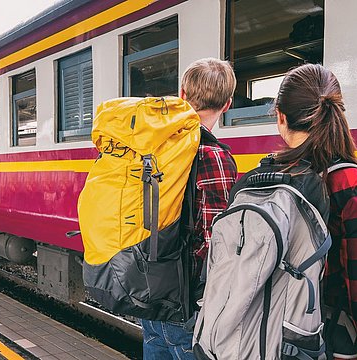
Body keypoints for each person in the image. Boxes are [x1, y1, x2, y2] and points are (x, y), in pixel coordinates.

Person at [273, 63, 357, 360]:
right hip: (326, 340)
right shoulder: (351, 184)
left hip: (268, 337)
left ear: (280, 117)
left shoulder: (266, 178)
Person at [139, 58, 238, 359]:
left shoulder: (154, 147)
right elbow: (214, 238)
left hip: (150, 282)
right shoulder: (213, 156)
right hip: (186, 298)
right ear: (228, 104)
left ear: (182, 95)